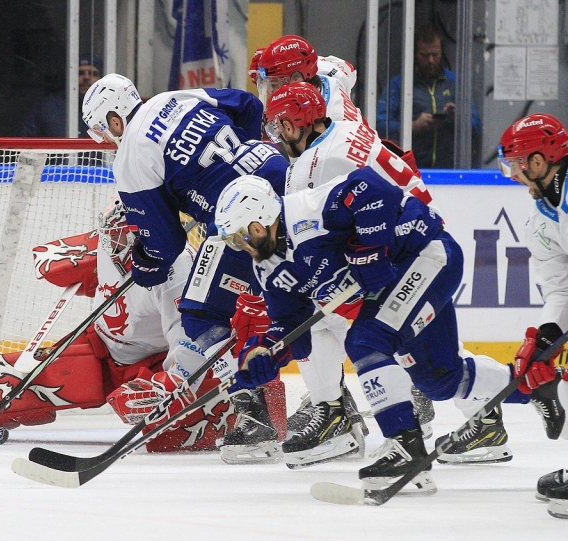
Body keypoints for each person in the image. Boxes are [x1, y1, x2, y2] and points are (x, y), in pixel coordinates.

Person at [213, 171, 543, 495]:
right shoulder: (268, 266)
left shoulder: (309, 209)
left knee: (366, 341)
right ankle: (537, 384)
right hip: (404, 280)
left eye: (238, 237)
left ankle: (404, 445)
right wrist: (264, 353)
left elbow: (371, 188)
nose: (239, 247)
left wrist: (367, 251)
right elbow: (291, 328)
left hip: (427, 254)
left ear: (257, 224)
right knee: (440, 379)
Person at [0, 196, 272, 452]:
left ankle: (253, 410)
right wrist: (62, 262)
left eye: (128, 235)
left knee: (162, 429)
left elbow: (187, 345)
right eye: (112, 232)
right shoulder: (108, 242)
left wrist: (161, 387)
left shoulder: (176, 272)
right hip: (98, 346)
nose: (116, 242)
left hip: (148, 364)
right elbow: (52, 254)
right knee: (9, 379)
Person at [82, 73, 291, 463]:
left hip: (242, 220)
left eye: (103, 131)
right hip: (282, 177)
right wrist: (233, 168)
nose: (109, 141)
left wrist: (144, 264)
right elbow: (249, 107)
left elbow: (164, 247)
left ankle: (253, 417)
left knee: (201, 315)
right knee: (309, 294)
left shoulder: (130, 157)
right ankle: (338, 407)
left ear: (114, 120)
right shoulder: (176, 96)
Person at [254, 34, 434, 457]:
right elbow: (342, 68)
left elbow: (334, 209)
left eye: (278, 83)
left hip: (389, 221)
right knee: (345, 312)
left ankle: (349, 406)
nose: (271, 97)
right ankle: (344, 404)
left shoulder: (320, 155)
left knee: (342, 311)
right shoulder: (326, 78)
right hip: (397, 208)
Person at [498, 112, 568, 519]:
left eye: (518, 165)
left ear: (539, 162)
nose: (515, 175)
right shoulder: (541, 219)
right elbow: (560, 289)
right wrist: (544, 338)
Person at [376, 24, 481, 169]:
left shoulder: (454, 83)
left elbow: (475, 125)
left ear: (441, 53)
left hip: (450, 170)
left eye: (435, 54)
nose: (431, 60)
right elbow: (380, 124)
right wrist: (412, 127)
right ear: (414, 55)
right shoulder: (400, 84)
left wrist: (456, 118)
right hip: (408, 170)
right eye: (425, 55)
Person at [19, 54, 102, 137]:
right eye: (80, 73)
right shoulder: (48, 107)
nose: (86, 77)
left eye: (93, 74)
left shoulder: (110, 108)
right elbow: (25, 141)